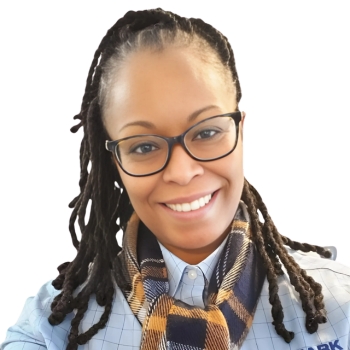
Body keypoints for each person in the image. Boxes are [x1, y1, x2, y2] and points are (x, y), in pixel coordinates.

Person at [2, 8, 350, 350]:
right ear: (115, 163)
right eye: (144, 146)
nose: (182, 173)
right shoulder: (51, 330)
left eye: (208, 131)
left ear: (240, 133)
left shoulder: (341, 309)